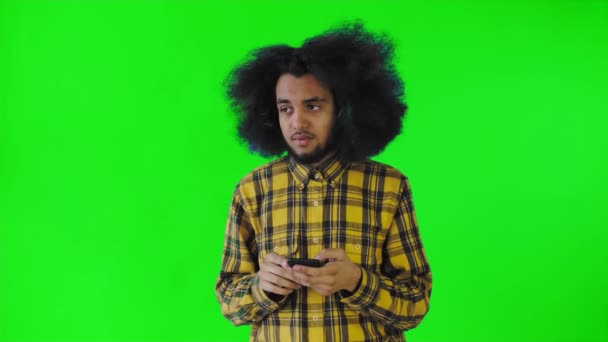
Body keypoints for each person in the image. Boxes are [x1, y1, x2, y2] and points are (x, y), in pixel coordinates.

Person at [216, 22, 432, 342]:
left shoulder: (388, 187)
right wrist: (263, 287)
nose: (297, 121)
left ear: (344, 110)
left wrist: (357, 282)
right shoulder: (252, 191)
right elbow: (229, 302)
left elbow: (415, 303)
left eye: (313, 106)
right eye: (285, 108)